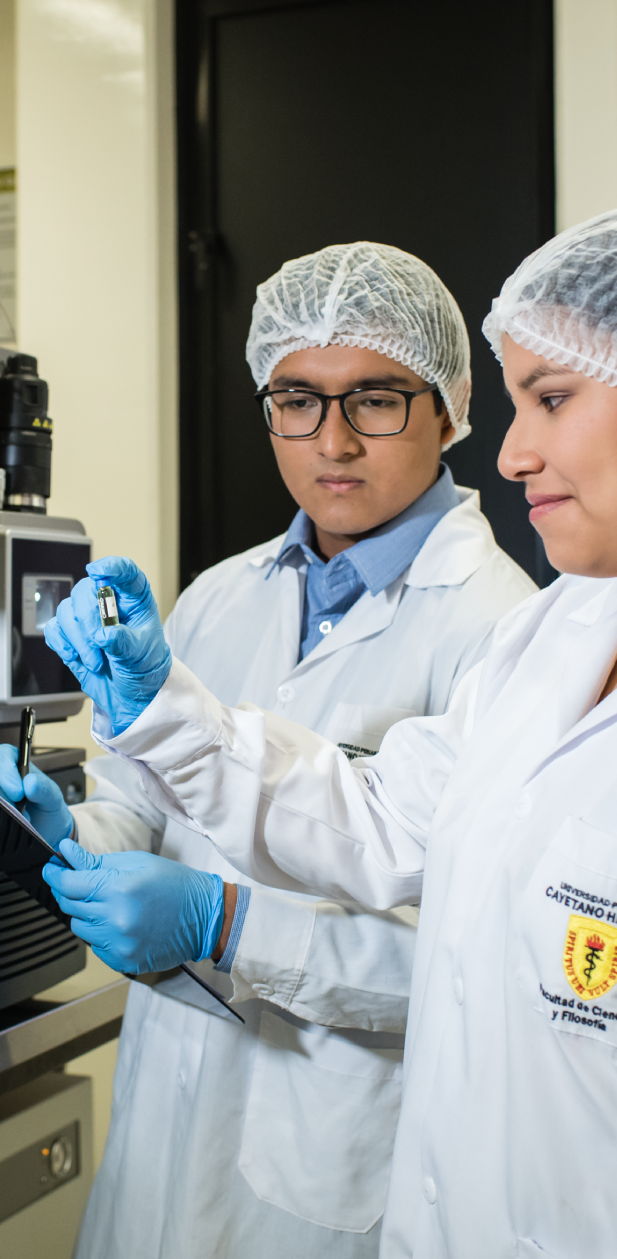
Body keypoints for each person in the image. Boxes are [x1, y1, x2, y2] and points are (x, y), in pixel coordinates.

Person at [29, 242, 536, 1257]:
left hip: (327, 1168)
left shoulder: (496, 630)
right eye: (295, 398)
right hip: (164, 1137)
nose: (331, 441)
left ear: (448, 406)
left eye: (375, 399)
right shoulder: (223, 591)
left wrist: (228, 928)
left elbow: (475, 970)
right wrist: (64, 827)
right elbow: (149, 801)